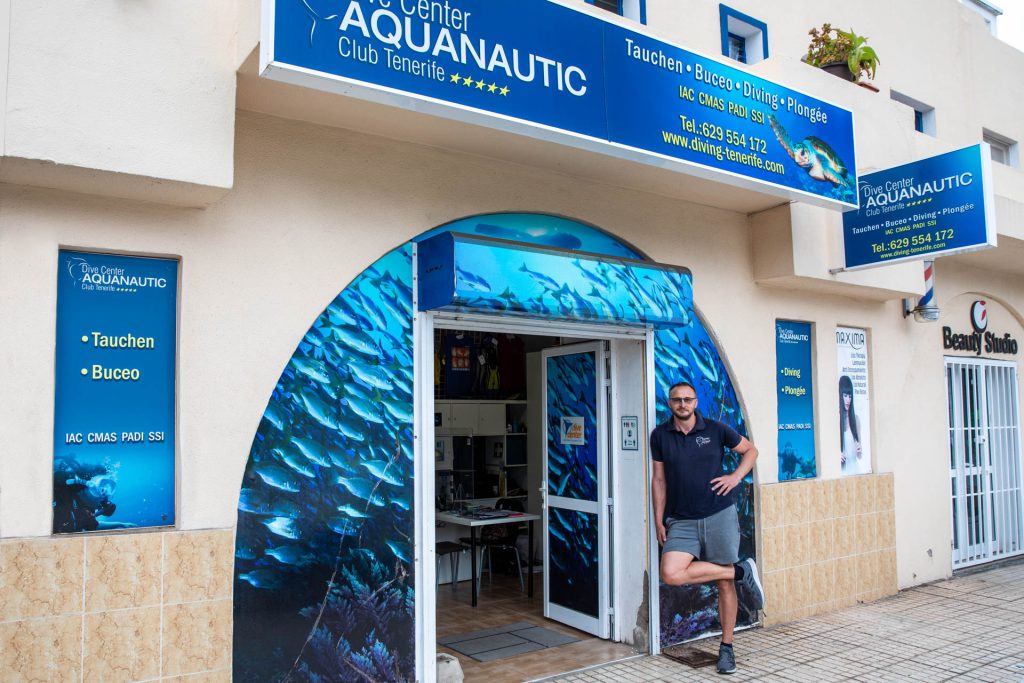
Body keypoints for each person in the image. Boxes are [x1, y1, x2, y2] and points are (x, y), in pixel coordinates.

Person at [651, 381, 763, 675]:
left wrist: (736, 477)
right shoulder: (660, 436)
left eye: (688, 399)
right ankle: (742, 571)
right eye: (677, 400)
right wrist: (658, 518)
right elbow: (659, 480)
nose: (683, 404)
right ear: (670, 402)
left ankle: (727, 649)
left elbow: (750, 451)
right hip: (681, 520)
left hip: (718, 515)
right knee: (671, 573)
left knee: (723, 584)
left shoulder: (716, 429)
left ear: (696, 402)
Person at [839, 375, 863, 475]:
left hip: (855, 471)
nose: (848, 400)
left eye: (850, 396)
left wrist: (859, 449)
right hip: (841, 472)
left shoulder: (856, 419)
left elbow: (860, 456)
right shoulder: (836, 420)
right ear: (840, 396)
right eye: (845, 396)